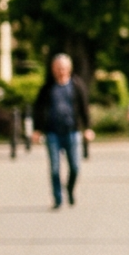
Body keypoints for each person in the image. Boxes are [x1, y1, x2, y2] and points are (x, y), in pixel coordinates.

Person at [31, 54, 92, 208]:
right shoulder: (47, 88)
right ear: (53, 69)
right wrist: (37, 130)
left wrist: (88, 128)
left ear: (69, 69)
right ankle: (57, 198)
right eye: (58, 68)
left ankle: (70, 189)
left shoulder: (76, 85)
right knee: (55, 168)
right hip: (52, 133)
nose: (61, 71)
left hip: (72, 131)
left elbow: (84, 108)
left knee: (75, 167)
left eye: (63, 68)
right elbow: (38, 109)